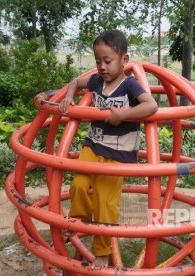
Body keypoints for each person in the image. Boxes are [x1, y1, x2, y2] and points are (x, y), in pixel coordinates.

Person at [35, 29, 158, 268]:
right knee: (78, 185)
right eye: (97, 61)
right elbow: (76, 82)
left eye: (107, 61)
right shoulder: (96, 81)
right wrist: (69, 97)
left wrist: (123, 114)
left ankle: (102, 252)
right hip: (93, 145)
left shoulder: (130, 86)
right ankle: (79, 223)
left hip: (118, 154)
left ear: (124, 61)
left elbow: (150, 106)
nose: (101, 66)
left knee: (105, 204)